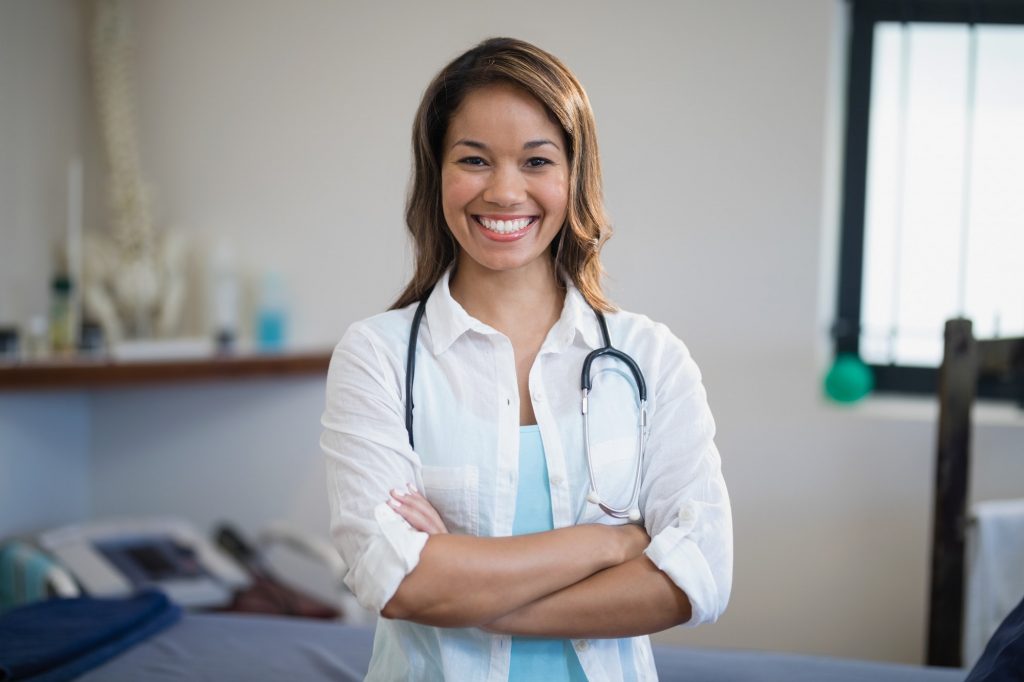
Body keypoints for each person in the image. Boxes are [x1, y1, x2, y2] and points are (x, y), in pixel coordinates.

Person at [321, 37, 732, 681]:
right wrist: (613, 544)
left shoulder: (651, 358)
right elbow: (396, 581)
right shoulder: (376, 356)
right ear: (438, 174)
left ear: (574, 176)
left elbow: (695, 579)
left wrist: (466, 587)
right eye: (475, 160)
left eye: (536, 161)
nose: (505, 191)